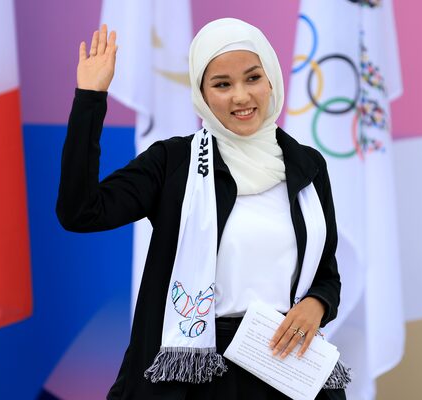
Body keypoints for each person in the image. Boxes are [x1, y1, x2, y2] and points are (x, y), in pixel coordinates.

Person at [57, 18, 348, 400]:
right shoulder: (172, 163)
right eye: (222, 85)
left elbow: (327, 273)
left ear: (271, 80)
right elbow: (81, 212)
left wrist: (318, 304)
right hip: (198, 375)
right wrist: (90, 99)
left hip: (286, 367)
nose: (241, 96)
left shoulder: (306, 165)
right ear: (202, 93)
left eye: (252, 78)